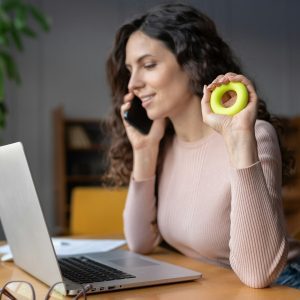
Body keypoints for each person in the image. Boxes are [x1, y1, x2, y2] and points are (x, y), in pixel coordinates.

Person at [104, 2, 300, 289]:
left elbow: (259, 274)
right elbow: (140, 242)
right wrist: (144, 151)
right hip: (216, 284)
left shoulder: (252, 134)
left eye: (148, 65)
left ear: (192, 63)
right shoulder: (165, 143)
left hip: (283, 286)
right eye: (130, 70)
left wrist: (239, 141)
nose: (132, 83)